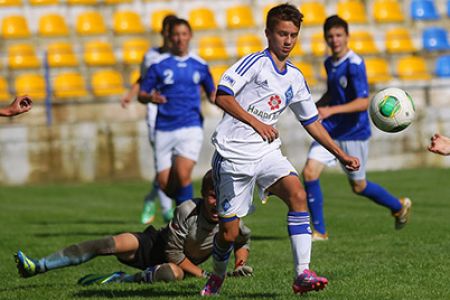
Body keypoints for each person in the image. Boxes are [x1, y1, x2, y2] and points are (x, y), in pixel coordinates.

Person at [200, 4, 360, 296]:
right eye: (282, 34)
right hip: (233, 155)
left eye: (293, 35)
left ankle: (302, 274)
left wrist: (340, 153)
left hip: (267, 152)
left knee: (298, 195)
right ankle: (217, 276)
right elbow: (221, 95)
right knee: (229, 233)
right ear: (268, 33)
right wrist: (256, 122)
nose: (288, 40)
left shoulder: (296, 78)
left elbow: (311, 121)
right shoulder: (254, 63)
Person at [14, 170, 253, 285]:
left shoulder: (232, 220)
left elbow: (242, 240)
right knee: (106, 244)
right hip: (154, 245)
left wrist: (240, 264)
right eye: (212, 195)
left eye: (222, 196)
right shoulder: (187, 209)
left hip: (175, 266)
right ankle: (38, 266)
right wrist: (205, 275)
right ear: (203, 194)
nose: (217, 202)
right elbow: (173, 252)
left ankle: (122, 280)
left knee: (171, 275)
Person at [301, 15, 412, 242]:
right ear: (325, 38)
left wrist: (331, 110)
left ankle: (398, 205)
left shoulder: (355, 64)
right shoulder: (329, 63)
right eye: (330, 36)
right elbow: (334, 93)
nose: (335, 40)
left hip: (354, 131)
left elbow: (363, 102)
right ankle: (320, 232)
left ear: (347, 37)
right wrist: (316, 106)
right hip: (332, 129)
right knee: (309, 172)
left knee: (359, 186)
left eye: (339, 35)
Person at [138, 18, 215, 207]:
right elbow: (142, 94)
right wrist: (150, 98)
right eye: (176, 35)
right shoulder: (158, 64)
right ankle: (184, 216)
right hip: (164, 128)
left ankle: (187, 223)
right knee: (165, 184)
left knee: (183, 175)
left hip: (191, 126)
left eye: (184, 34)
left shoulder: (200, 65)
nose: (180, 39)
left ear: (190, 36)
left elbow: (212, 94)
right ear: (169, 37)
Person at [121, 15, 178, 225]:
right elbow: (143, 79)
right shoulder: (152, 56)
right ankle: (167, 211)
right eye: (171, 33)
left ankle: (150, 198)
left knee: (173, 164)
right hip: (156, 111)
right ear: (164, 33)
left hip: (178, 113)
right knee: (163, 161)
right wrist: (131, 94)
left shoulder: (183, 57)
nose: (175, 38)